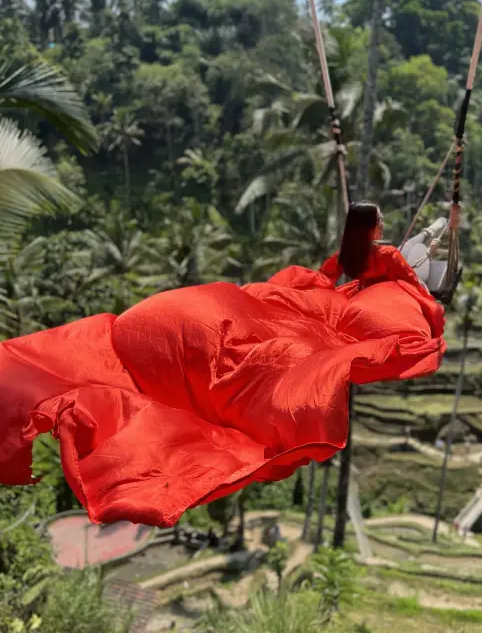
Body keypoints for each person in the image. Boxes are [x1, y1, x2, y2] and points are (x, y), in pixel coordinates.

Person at [0, 201, 445, 528]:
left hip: (178, 319)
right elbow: (383, 347)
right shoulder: (394, 311)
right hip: (209, 337)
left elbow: (335, 290)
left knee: (76, 369)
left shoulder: (332, 291)